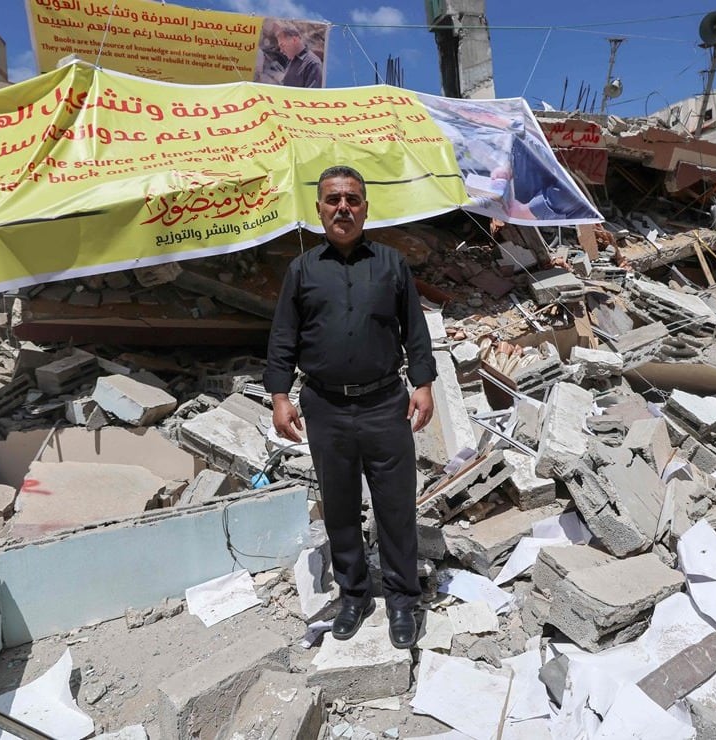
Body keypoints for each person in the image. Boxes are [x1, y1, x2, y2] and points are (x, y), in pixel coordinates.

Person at [264, 166, 435, 649]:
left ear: (365, 207)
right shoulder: (302, 271)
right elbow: (283, 339)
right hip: (326, 408)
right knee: (339, 507)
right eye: (333, 199)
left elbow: (414, 332)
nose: (343, 207)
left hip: (385, 405)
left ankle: (403, 598)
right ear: (318, 209)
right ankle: (354, 595)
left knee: (396, 506)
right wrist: (280, 396)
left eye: (352, 200)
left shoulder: (391, 265)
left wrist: (422, 383)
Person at [276, 23, 323, 88]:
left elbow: (312, 96)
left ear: (294, 40)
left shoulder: (313, 64)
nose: (281, 51)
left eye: (282, 45)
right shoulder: (292, 59)